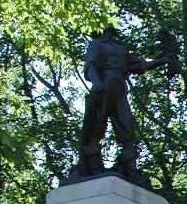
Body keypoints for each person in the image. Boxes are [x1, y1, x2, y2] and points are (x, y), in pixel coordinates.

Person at [74, 27, 174, 184]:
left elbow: (139, 65)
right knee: (96, 126)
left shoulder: (121, 49)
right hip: (105, 84)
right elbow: (90, 65)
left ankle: (131, 169)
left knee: (126, 126)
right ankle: (93, 167)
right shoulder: (96, 44)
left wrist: (161, 61)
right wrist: (97, 83)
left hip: (120, 87)